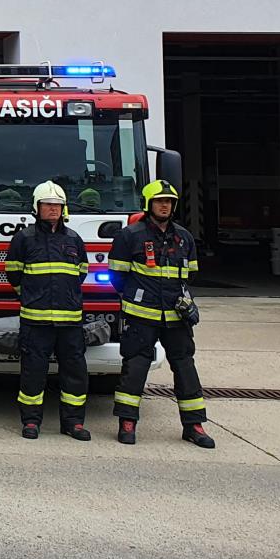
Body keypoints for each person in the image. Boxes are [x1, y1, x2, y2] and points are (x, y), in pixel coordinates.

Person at [108, 180, 215, 448]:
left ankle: (194, 425)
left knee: (185, 366)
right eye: (159, 201)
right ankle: (127, 422)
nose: (165, 205)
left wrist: (184, 302)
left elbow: (189, 274)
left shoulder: (184, 237)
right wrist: (137, 298)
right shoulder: (129, 236)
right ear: (148, 204)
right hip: (141, 315)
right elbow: (116, 277)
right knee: (135, 367)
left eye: (169, 201)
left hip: (176, 317)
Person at [5, 181, 91, 441]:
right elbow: (13, 274)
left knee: (75, 373)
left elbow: (82, 272)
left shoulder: (74, 238)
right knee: (33, 373)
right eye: (47, 205)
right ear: (37, 208)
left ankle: (73, 423)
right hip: (36, 321)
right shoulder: (24, 238)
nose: (52, 209)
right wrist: (33, 297)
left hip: (70, 322)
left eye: (57, 205)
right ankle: (31, 422)